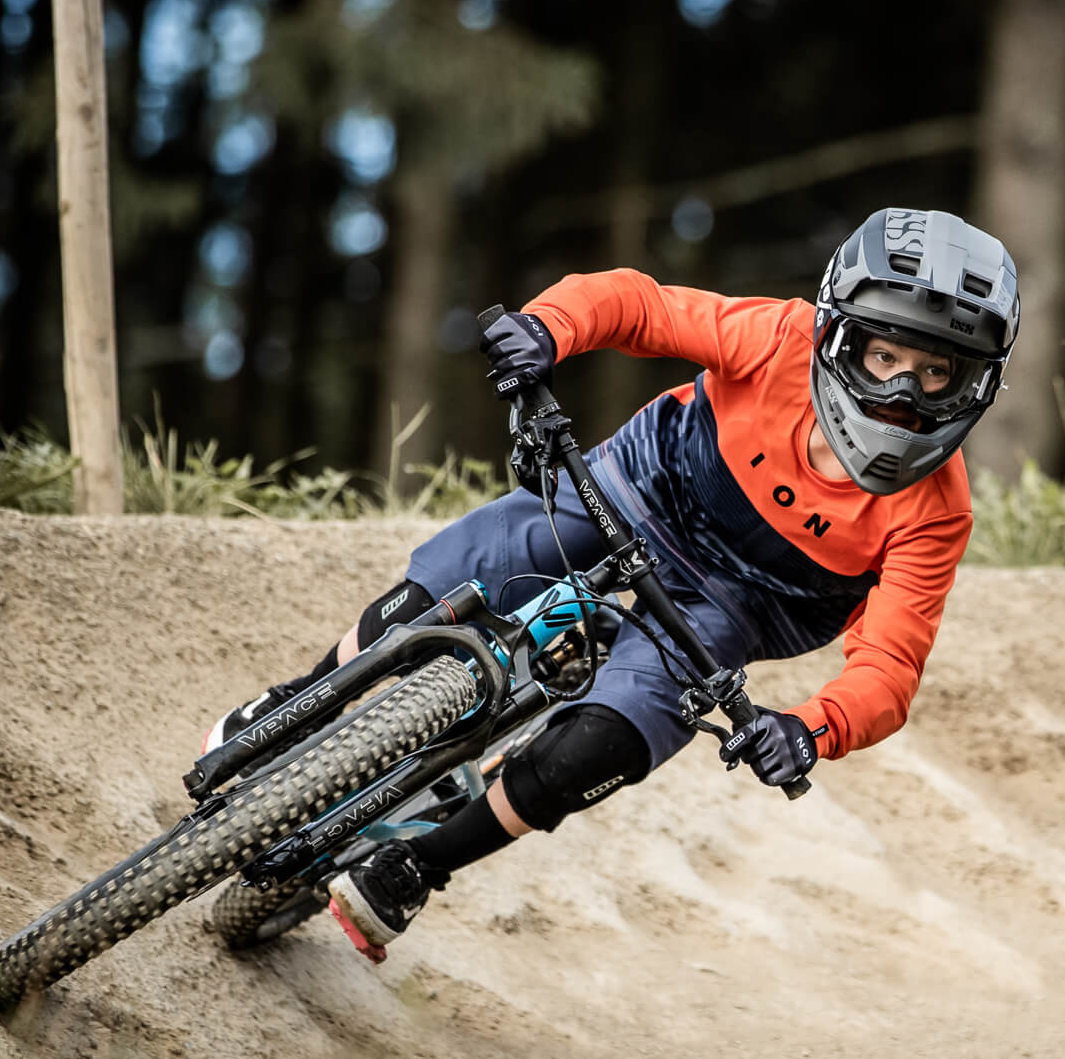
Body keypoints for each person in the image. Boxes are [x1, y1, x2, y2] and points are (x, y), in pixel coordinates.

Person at [202, 207, 1020, 960]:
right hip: (646, 488)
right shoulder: (779, 338)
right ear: (837, 336)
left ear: (975, 384)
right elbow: (637, 304)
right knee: (473, 563)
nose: (901, 392)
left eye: (934, 373)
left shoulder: (936, 511)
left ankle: (419, 865)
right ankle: (303, 699)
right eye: (884, 356)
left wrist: (810, 728)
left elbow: (888, 671)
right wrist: (545, 330)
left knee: (612, 737)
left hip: (736, 606)